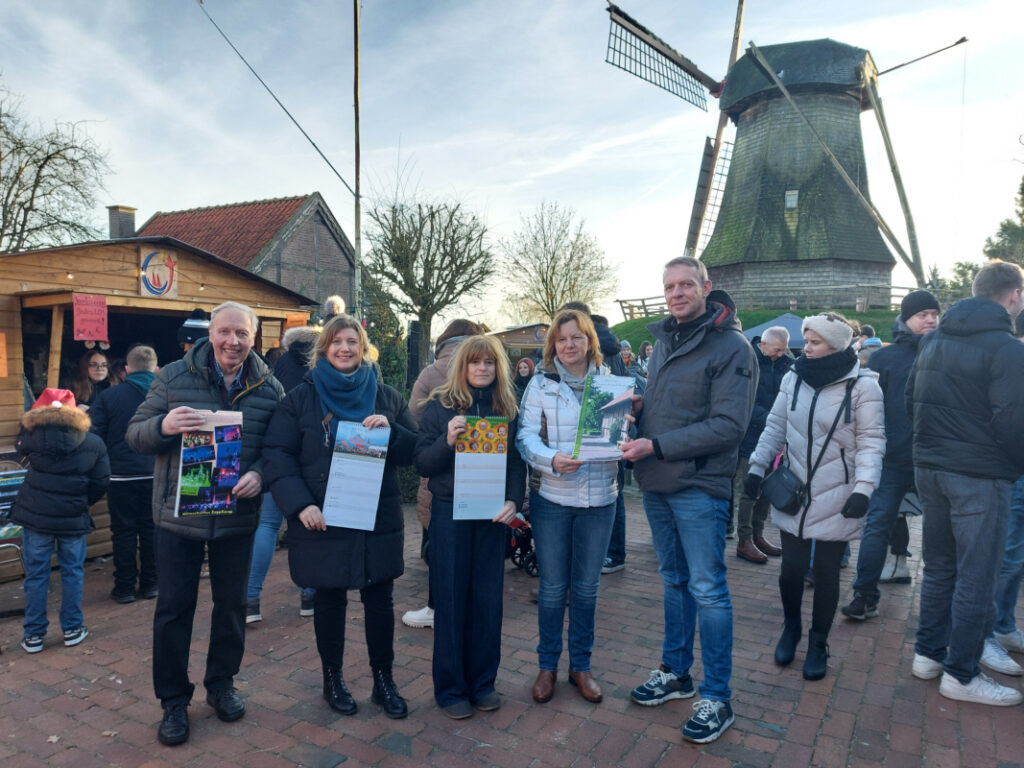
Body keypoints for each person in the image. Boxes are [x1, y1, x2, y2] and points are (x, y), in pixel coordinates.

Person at [127, 302, 285, 746]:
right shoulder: (173, 376)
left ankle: (221, 685)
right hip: (179, 518)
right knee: (174, 610)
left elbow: (280, 450)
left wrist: (261, 475)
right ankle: (174, 702)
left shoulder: (270, 388)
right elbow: (134, 435)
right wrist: (164, 424)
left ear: (254, 338)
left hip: (236, 517)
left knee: (231, 607)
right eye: (225, 331)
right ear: (210, 334)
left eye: (242, 334)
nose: (233, 341)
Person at [619, 256, 756, 744]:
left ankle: (718, 696)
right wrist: (639, 408)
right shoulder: (663, 341)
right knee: (674, 580)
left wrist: (655, 444)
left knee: (708, 589)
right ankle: (677, 672)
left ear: (706, 286)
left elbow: (728, 426)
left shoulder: (731, 346)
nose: (677, 293)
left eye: (685, 285)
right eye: (670, 286)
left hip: (699, 485)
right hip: (658, 481)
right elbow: (673, 405)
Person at [262, 313, 417, 720]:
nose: (345, 349)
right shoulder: (299, 399)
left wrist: (393, 432)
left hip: (375, 518)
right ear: (323, 349)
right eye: (336, 342)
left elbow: (415, 453)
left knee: (379, 601)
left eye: (352, 342)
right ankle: (333, 679)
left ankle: (384, 681)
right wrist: (299, 505)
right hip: (322, 517)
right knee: (328, 601)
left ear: (363, 348)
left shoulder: (386, 397)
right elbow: (278, 456)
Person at [907, 260, 1024, 706]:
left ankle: (928, 654)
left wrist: (925, 451)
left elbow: (909, 398)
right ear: (1013, 295)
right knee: (977, 575)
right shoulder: (1008, 349)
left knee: (939, 567)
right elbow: (1015, 421)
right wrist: (1011, 468)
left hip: (931, 466)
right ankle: (961, 672)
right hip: (979, 473)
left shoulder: (934, 339)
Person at [745, 314, 885, 681]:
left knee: (825, 573)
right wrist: (757, 467)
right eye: (805, 340)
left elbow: (871, 441)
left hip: (838, 492)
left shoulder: (864, 387)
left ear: (836, 345)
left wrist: (864, 488)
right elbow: (775, 425)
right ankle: (791, 627)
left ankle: (819, 642)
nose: (805, 347)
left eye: (814, 342)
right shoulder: (794, 377)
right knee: (791, 571)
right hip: (794, 488)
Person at [413, 335, 525, 718]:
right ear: (462, 366)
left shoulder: (505, 409)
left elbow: (514, 464)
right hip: (450, 514)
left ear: (498, 368)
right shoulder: (440, 408)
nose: (482, 368)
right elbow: (423, 464)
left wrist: (513, 500)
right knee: (452, 599)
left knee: (488, 600)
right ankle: (451, 688)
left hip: (491, 517)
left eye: (489, 363)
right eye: (475, 362)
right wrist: (446, 441)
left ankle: (483, 683)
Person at [517, 308, 619, 706]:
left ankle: (582, 666)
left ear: (590, 340)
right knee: (552, 588)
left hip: (600, 499)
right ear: (553, 345)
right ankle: (547, 666)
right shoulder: (542, 385)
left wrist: (624, 442)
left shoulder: (610, 383)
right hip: (554, 499)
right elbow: (525, 438)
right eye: (562, 339)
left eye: (577, 337)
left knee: (587, 589)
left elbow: (617, 439)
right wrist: (551, 459)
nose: (569, 344)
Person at [840, 291, 939, 622]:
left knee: (945, 532)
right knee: (877, 524)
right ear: (906, 319)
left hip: (938, 458)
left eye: (934, 313)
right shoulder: (884, 359)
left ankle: (945, 605)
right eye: (923, 314)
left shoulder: (949, 355)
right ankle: (864, 594)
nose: (930, 319)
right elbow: (868, 410)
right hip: (894, 456)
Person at [12, 388, 109, 654]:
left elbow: (19, 451)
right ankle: (72, 628)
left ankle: (33, 635)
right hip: (72, 515)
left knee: (36, 574)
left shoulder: (29, 438)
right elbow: (101, 480)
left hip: (35, 514)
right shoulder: (93, 442)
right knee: (73, 571)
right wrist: (81, 502)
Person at [402, 319, 483, 630]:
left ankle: (437, 607)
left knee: (438, 545)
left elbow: (413, 419)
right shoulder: (486, 363)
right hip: (483, 474)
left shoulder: (431, 372)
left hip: (440, 471)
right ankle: (468, 607)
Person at [245, 323, 322, 624]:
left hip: (280, 454)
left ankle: (251, 599)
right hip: (312, 456)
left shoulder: (279, 366)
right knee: (309, 525)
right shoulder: (322, 366)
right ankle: (309, 594)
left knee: (267, 525)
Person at [90, 344, 159, 603]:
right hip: (155, 473)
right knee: (151, 530)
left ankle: (125, 588)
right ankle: (152, 584)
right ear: (155, 367)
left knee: (123, 532)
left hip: (120, 476)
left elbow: (95, 437)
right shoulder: (164, 395)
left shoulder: (109, 397)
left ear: (127, 369)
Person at [733, 327, 792, 564]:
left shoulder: (787, 363)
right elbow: (745, 400)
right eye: (776, 350)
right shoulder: (749, 361)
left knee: (767, 489)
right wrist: (773, 419)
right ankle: (744, 539)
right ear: (764, 344)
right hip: (753, 435)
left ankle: (758, 535)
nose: (779, 354)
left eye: (783, 350)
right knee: (750, 490)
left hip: (777, 436)